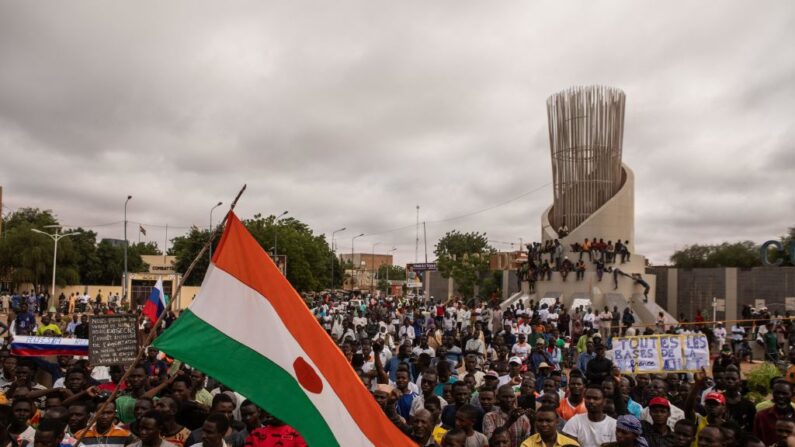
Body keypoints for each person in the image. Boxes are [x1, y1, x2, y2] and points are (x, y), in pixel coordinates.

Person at [753, 380, 795, 445]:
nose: (780, 396)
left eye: (784, 393)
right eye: (777, 393)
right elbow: (756, 439)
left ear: (792, 395)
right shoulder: (761, 416)